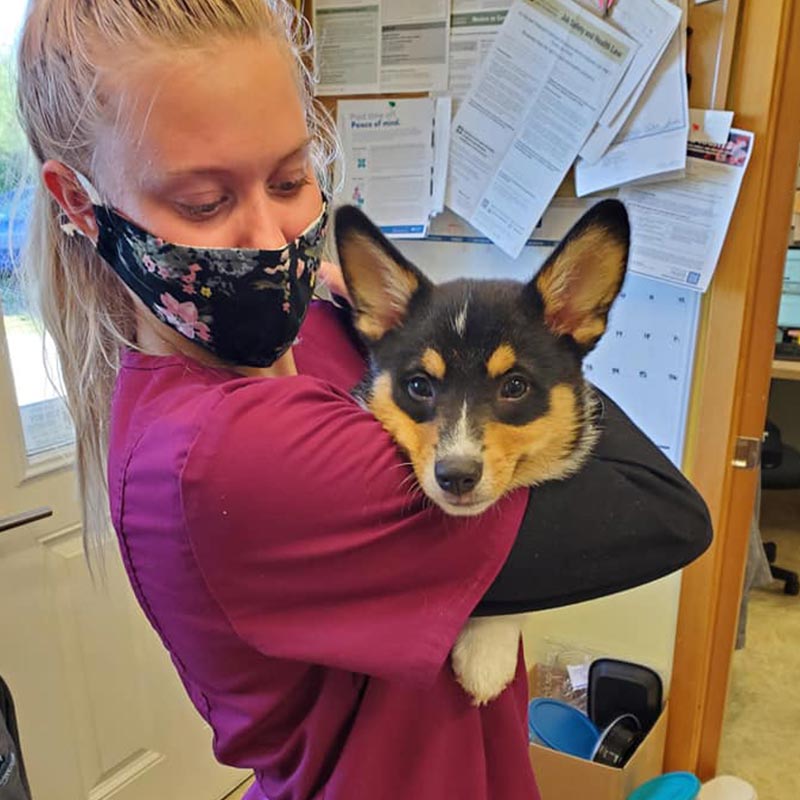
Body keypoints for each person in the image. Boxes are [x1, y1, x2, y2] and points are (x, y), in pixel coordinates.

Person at [15, 2, 711, 799]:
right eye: (204, 204)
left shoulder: (305, 332)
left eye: (289, 178)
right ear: (78, 202)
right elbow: (661, 511)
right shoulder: (228, 454)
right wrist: (543, 347)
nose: (276, 237)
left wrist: (421, 331)